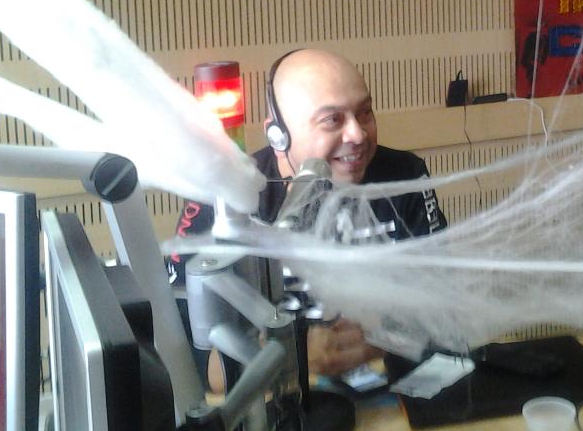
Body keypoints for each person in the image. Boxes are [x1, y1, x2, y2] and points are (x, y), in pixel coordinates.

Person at [172, 48, 446, 380]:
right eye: (333, 120)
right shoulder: (222, 202)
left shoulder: (406, 175)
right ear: (278, 135)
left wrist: (377, 341)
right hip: (272, 396)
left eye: (365, 113)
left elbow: (444, 306)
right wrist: (297, 358)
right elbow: (196, 369)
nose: (358, 135)